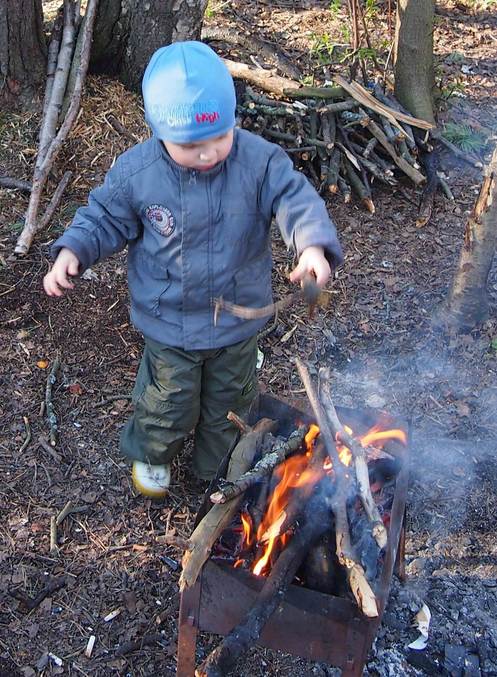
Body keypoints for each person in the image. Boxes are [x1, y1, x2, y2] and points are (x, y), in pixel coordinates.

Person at [43, 41, 343, 499]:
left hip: (237, 319)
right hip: (170, 321)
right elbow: (103, 216)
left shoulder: (259, 162)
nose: (207, 153)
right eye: (190, 146)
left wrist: (312, 246)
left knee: (230, 403)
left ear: (232, 120)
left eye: (219, 138)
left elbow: (295, 199)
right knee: (167, 401)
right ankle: (152, 452)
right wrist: (74, 250)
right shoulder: (140, 172)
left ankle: (218, 468)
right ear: (159, 132)